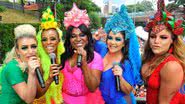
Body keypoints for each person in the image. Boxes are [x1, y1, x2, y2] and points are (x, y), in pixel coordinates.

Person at [97, 4, 143, 104]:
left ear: (123, 43)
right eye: (110, 38)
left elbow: (128, 90)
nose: (112, 42)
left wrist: (120, 77)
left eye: (118, 39)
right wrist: (95, 38)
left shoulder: (125, 63)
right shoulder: (102, 50)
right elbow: (89, 44)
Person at [141, 0, 185, 103]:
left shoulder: (171, 66)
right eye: (152, 36)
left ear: (172, 40)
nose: (156, 41)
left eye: (163, 37)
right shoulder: (150, 57)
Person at [61, 3, 104, 104]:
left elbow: (93, 87)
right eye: (73, 36)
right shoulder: (63, 56)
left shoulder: (96, 58)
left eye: (82, 35)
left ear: (88, 38)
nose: (78, 39)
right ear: (69, 39)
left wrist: (84, 64)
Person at [0, 24, 40, 104]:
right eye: (24, 48)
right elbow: (29, 99)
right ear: (17, 51)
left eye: (33, 46)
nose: (30, 51)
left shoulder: (28, 64)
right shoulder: (13, 68)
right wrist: (32, 74)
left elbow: (37, 94)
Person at [33, 7, 65, 104]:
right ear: (40, 42)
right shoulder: (37, 62)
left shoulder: (63, 57)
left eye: (52, 39)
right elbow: (37, 94)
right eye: (44, 39)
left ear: (59, 40)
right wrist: (50, 79)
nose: (48, 43)